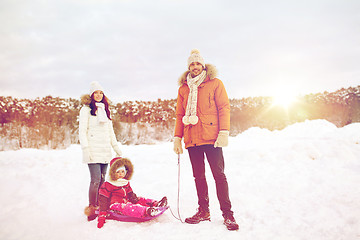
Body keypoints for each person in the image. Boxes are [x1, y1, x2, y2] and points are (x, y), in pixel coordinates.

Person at [173, 49, 239, 231]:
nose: (195, 67)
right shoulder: (183, 89)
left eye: (197, 63)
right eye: (191, 64)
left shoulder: (215, 83)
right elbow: (179, 115)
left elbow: (224, 108)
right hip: (192, 138)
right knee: (198, 176)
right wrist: (177, 138)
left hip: (212, 138)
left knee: (219, 175)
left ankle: (227, 213)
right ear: (188, 67)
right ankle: (203, 211)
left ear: (203, 65)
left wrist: (224, 132)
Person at [79, 81, 123, 221]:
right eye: (96, 93)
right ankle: (92, 208)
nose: (98, 95)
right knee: (95, 180)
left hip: (104, 150)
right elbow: (82, 132)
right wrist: (85, 149)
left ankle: (101, 206)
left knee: (103, 180)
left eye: (101, 93)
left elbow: (111, 133)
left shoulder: (105, 110)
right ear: (91, 95)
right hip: (92, 150)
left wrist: (116, 148)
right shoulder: (86, 110)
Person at [96, 157, 168, 228]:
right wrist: (102, 215)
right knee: (129, 208)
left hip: (125, 200)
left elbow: (130, 193)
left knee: (139, 199)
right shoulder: (108, 184)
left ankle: (156, 203)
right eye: (118, 172)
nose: (121, 174)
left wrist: (136, 200)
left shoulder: (125, 182)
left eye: (122, 171)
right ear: (113, 172)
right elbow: (103, 199)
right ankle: (146, 211)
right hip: (114, 205)